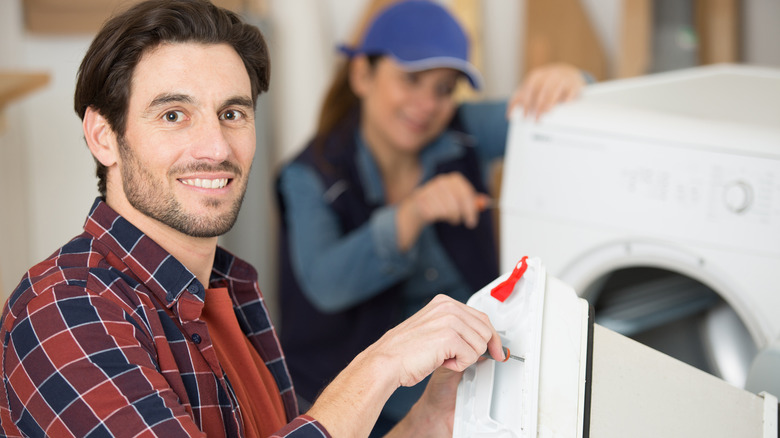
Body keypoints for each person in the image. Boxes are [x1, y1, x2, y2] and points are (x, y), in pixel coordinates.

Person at [0, 1, 508, 436]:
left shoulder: (231, 292)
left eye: (232, 113)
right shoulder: (65, 314)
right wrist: (381, 367)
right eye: (174, 115)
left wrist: (425, 422)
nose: (216, 147)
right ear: (103, 136)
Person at [275, 0, 587, 434]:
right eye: (412, 79)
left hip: (467, 372)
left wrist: (571, 80)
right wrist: (414, 212)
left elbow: (567, 119)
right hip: (357, 394)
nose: (427, 104)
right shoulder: (309, 174)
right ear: (362, 74)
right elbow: (328, 284)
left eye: (444, 88)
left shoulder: (464, 129)